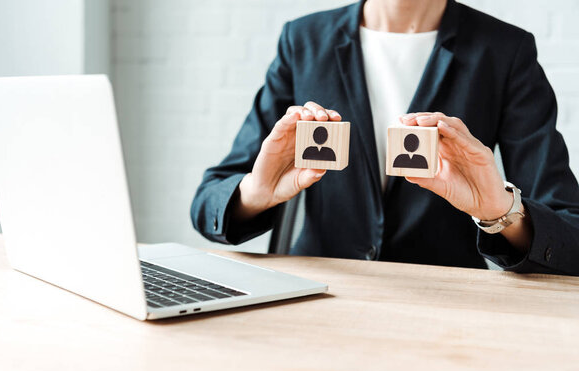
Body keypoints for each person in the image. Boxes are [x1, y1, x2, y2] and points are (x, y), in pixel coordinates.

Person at [191, 0, 579, 276]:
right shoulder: (304, 40)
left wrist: (500, 211)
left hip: (447, 304)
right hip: (317, 293)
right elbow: (208, 203)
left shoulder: (504, 51)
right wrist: (256, 193)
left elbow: (569, 236)